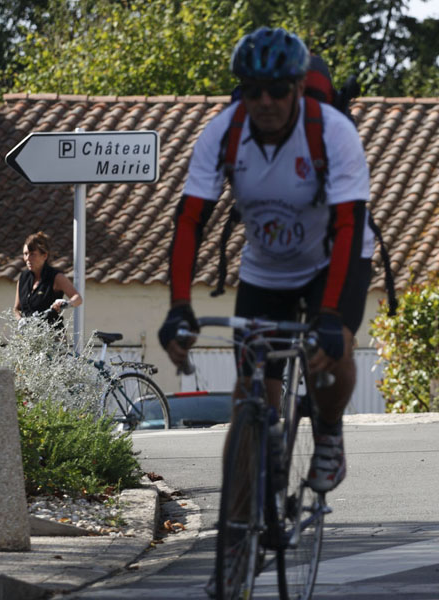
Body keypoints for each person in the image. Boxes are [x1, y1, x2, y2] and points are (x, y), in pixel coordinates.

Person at [157, 27, 373, 495]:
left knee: (330, 355)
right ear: (241, 92)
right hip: (267, 267)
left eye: (278, 90)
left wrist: (332, 318)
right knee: (252, 388)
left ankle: (329, 433)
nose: (266, 101)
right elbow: (190, 221)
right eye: (253, 91)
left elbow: (347, 227)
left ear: (298, 87)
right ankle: (241, 528)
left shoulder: (332, 133)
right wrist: (178, 307)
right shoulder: (223, 132)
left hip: (333, 260)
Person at [14, 231, 83, 327]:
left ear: (44, 255)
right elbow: (16, 309)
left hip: (51, 336)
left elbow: (78, 298)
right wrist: (20, 320)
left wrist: (66, 304)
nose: (28, 258)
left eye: (32, 254)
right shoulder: (23, 278)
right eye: (25, 254)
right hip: (28, 337)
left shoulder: (56, 277)